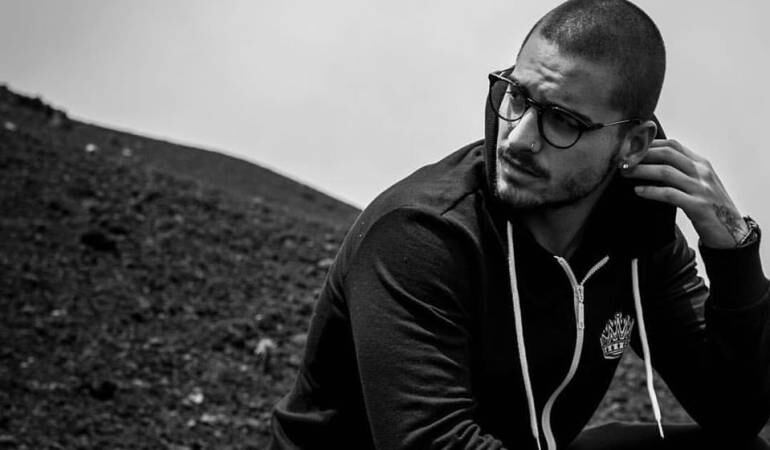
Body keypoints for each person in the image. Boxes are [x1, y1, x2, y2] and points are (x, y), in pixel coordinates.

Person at [270, 0, 770, 448]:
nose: (519, 140)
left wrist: (734, 250)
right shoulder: (422, 233)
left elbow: (736, 412)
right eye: (517, 96)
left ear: (633, 144)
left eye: (564, 121)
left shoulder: (638, 233)